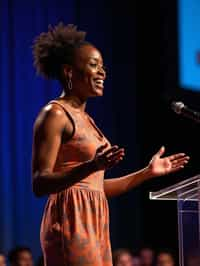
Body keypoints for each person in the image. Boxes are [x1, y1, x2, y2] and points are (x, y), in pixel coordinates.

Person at [31, 22, 189, 266]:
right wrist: (91, 166)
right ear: (69, 72)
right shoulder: (56, 114)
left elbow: (95, 188)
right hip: (70, 222)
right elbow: (40, 183)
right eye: (94, 65)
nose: (102, 72)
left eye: (103, 66)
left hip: (95, 222)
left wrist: (148, 173)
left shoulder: (88, 120)